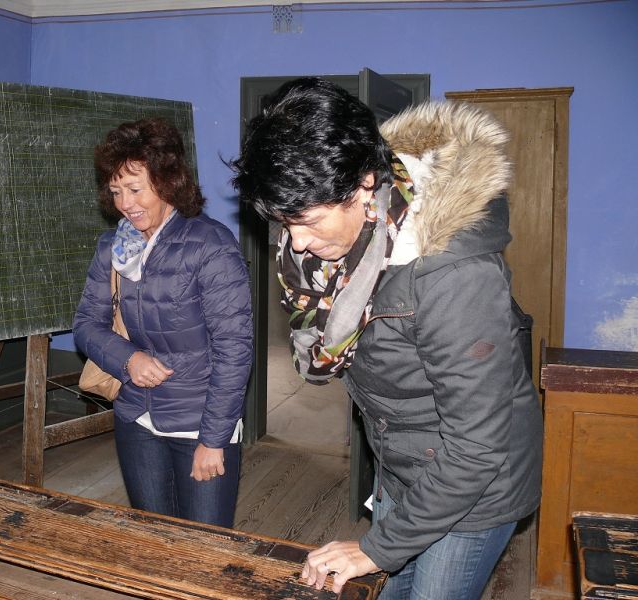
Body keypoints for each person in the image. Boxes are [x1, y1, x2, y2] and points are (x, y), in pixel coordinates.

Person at [230, 78, 542, 599]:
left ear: (363, 184)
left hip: (475, 487)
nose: (296, 243)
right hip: (401, 468)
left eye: (307, 221)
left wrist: (376, 547)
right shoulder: (346, 253)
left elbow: (477, 447)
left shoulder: (454, 275)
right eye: (286, 222)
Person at [74, 117, 253, 528]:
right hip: (135, 416)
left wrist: (214, 440)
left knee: (204, 545)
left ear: (167, 182)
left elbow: (234, 350)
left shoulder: (210, 245)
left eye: (135, 189)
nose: (125, 203)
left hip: (199, 423)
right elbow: (86, 324)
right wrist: (127, 359)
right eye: (116, 191)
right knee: (153, 538)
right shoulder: (112, 247)